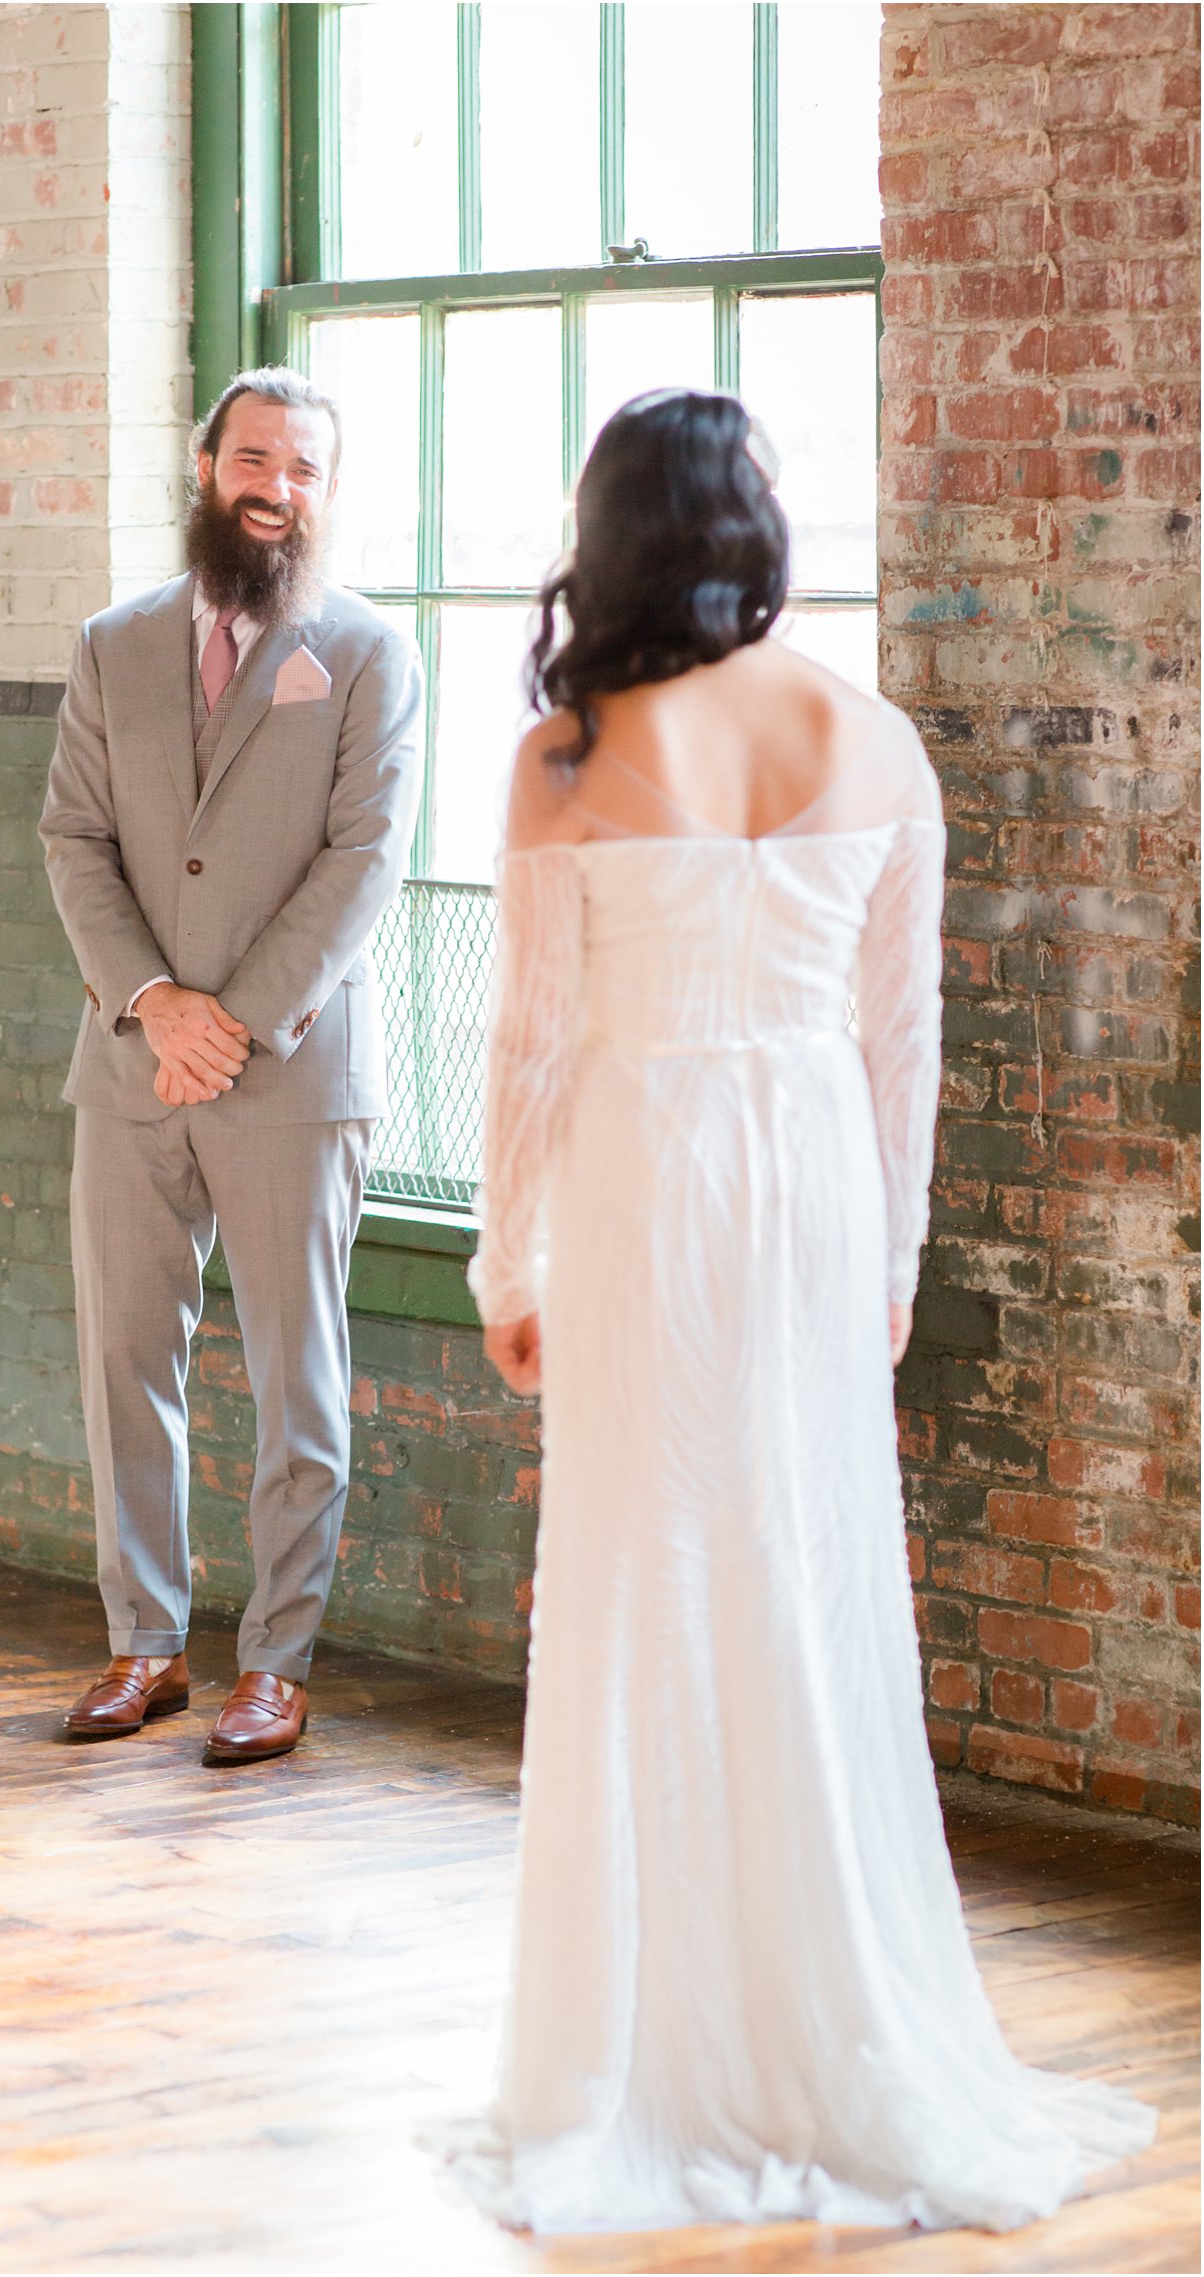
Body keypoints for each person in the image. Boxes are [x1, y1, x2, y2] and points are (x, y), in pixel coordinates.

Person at [454, 390, 1156, 2231]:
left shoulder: (567, 754)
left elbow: (530, 1047)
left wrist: (502, 1263)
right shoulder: (874, 736)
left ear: (608, 540)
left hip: (644, 1171)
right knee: (806, 1575)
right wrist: (898, 1257)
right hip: (816, 1181)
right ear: (755, 534)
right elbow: (899, 1044)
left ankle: (639, 2045)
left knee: (638, 1576)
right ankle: (831, 2008)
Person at [40, 367, 423, 1764]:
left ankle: (279, 1658)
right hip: (131, 1062)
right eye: (253, 454)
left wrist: (235, 1020)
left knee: (293, 1372)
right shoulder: (112, 642)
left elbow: (366, 860)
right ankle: (145, 1644)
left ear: (325, 489)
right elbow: (73, 839)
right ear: (205, 465)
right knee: (125, 1360)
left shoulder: (371, 654)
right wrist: (153, 1002)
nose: (276, 483)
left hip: (292, 1070)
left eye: (304, 465)